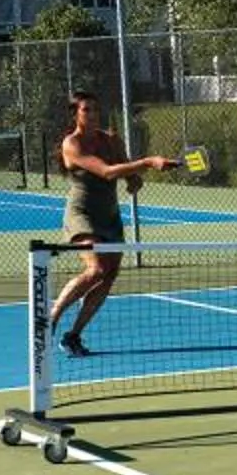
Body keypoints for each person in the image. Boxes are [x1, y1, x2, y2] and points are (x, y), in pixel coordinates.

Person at [50, 91, 174, 356]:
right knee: (95, 269)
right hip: (82, 213)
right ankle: (50, 319)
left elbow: (125, 171)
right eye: (86, 110)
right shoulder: (72, 144)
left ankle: (73, 336)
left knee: (108, 277)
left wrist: (135, 180)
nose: (93, 114)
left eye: (95, 109)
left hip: (109, 216)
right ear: (76, 114)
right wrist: (150, 161)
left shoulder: (111, 140)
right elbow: (106, 171)